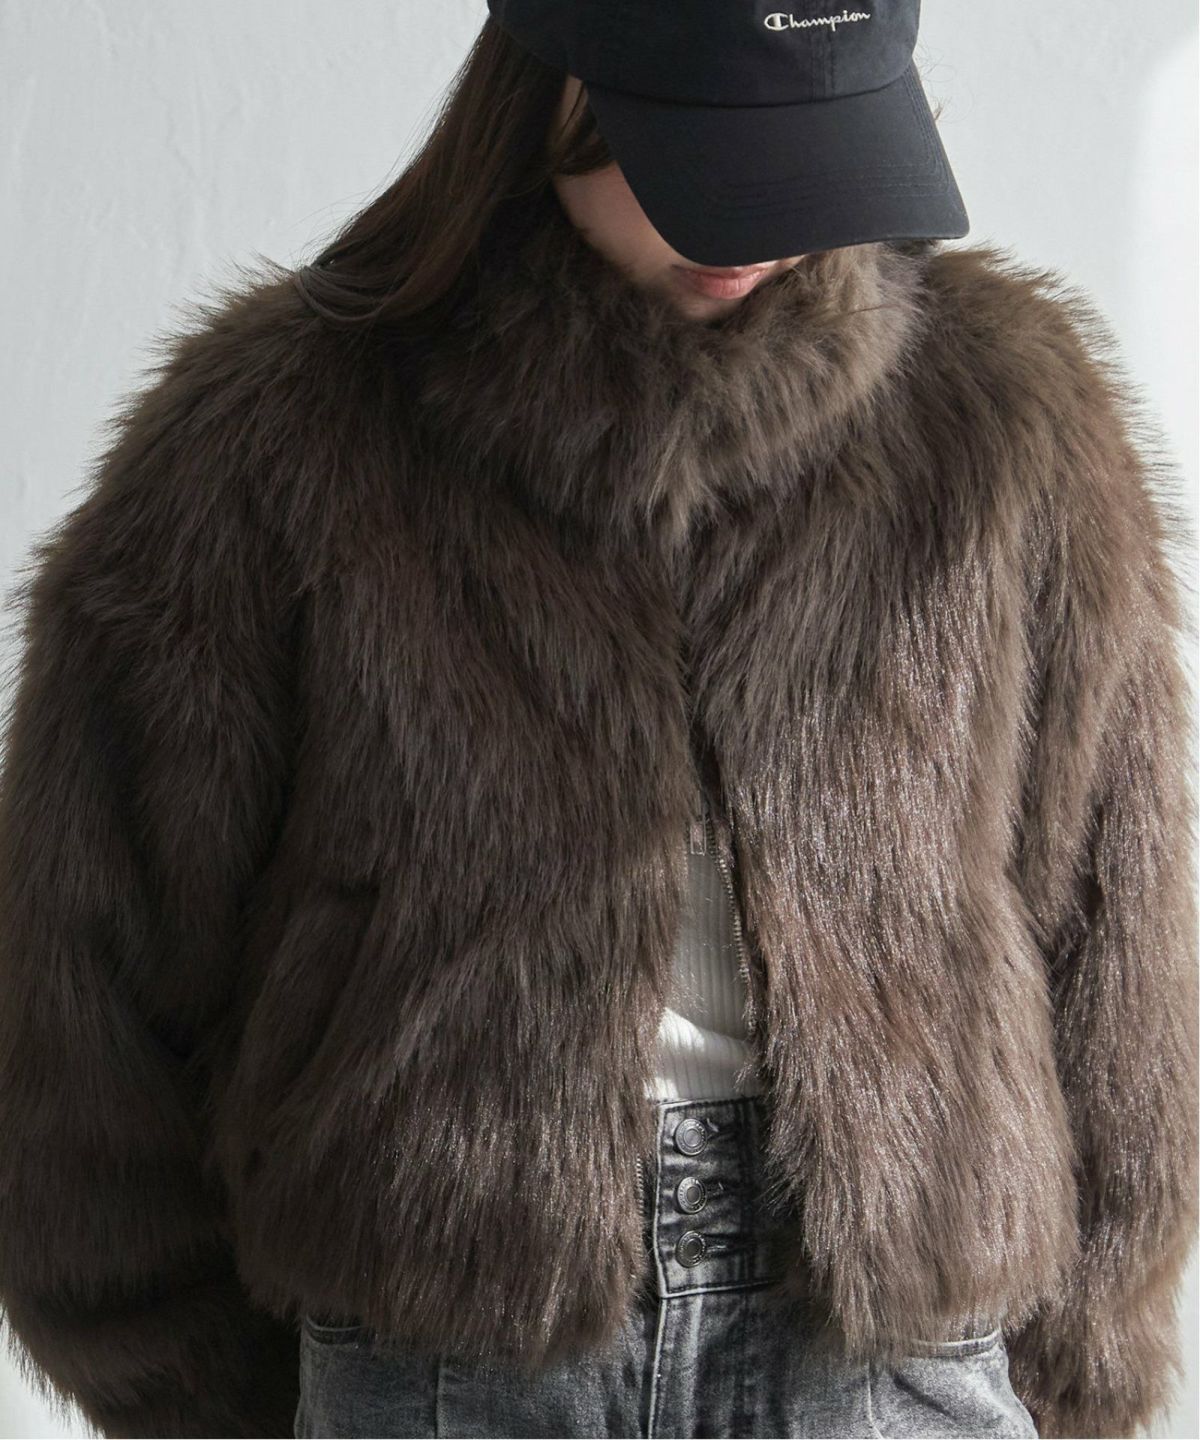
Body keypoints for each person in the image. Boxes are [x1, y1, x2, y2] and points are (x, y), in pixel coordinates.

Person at [0, 3, 1195, 1438]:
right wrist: (190, 1381)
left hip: (890, 1344)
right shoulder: (281, 433)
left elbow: (1115, 917)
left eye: (806, 157)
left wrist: (1083, 1360)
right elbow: (89, 950)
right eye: (701, 157)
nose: (758, 229)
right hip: (449, 1346)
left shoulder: (1000, 419)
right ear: (555, 93)